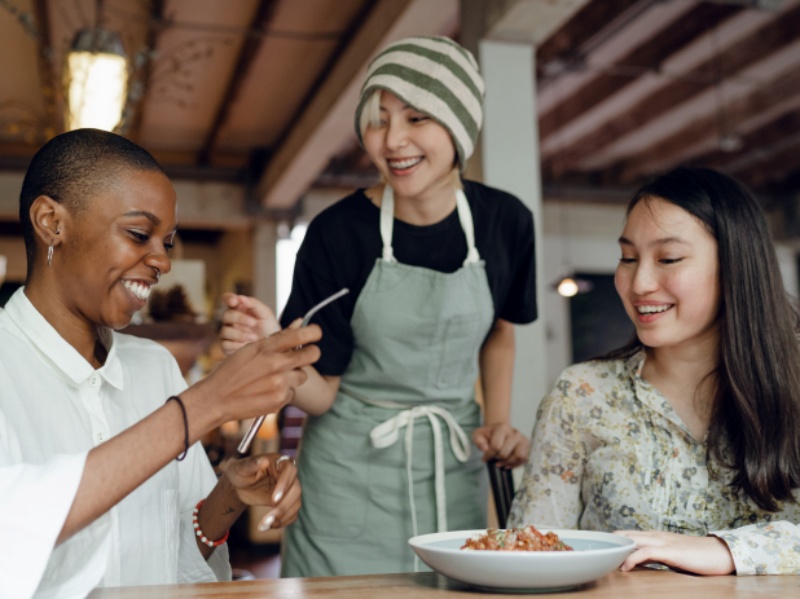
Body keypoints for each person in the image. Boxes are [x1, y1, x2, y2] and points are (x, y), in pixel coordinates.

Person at [220, 35, 537, 576]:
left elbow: (500, 330)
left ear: (458, 125)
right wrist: (274, 351)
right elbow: (318, 396)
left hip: (450, 466)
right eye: (378, 119)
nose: (392, 140)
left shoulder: (504, 223)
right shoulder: (338, 234)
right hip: (347, 482)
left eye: (416, 118)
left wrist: (498, 422)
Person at [0, 128, 322, 599]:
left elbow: (177, 554)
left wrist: (229, 496)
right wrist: (203, 405)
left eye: (166, 242)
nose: (162, 261)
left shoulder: (155, 368)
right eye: (138, 234)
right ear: (51, 222)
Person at [508, 167, 800, 575]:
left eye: (668, 258)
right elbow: (527, 554)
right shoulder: (582, 393)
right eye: (628, 258)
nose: (639, 282)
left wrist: (724, 550)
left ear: (737, 265)